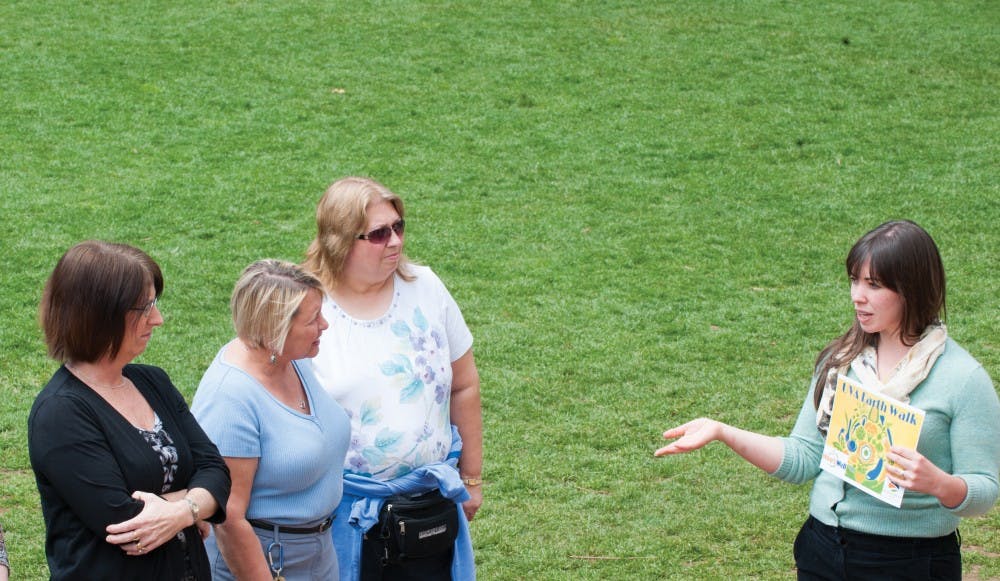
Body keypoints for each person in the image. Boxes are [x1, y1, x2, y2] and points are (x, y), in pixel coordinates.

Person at [655, 220, 1000, 580]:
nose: (857, 296)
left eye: (873, 285)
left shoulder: (963, 379)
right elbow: (803, 457)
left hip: (909, 562)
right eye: (854, 280)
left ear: (911, 290)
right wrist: (722, 431)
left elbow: (985, 490)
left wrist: (937, 483)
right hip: (822, 548)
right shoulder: (841, 362)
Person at [303, 176, 483, 580]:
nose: (396, 241)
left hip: (430, 506)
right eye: (379, 234)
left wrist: (471, 478)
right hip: (343, 518)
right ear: (340, 240)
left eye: (398, 226)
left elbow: (464, 385)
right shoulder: (308, 306)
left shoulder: (426, 286)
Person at [28, 240, 231, 580]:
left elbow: (216, 471)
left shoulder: (153, 382)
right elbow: (126, 524)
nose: (158, 319)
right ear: (99, 316)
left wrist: (182, 512)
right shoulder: (60, 414)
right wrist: (195, 506)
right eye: (144, 308)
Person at [191, 259, 351, 580]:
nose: (324, 325)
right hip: (263, 561)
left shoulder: (292, 358)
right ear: (275, 328)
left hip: (318, 551)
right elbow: (229, 519)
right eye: (313, 319)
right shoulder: (231, 399)